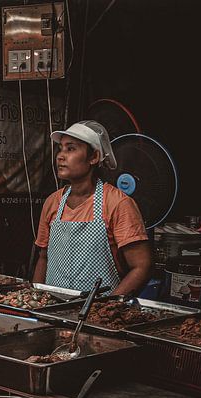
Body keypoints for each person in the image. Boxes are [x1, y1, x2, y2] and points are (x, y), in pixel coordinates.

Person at [33, 120, 152, 295]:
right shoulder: (52, 202)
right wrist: (36, 299)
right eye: (61, 148)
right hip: (52, 307)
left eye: (71, 149)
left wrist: (107, 306)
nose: (60, 156)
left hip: (97, 309)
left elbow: (141, 267)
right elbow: (44, 258)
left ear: (94, 157)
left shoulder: (117, 204)